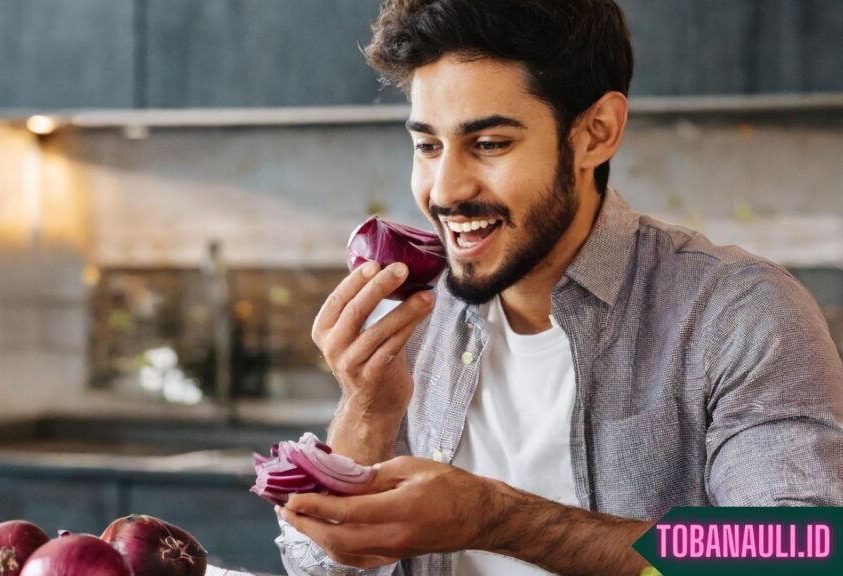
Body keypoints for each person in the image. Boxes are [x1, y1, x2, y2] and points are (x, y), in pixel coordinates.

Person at [274, 1, 843, 575]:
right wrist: (366, 409)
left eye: (490, 143)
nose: (443, 191)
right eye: (427, 145)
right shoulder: (414, 319)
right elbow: (320, 571)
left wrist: (497, 518)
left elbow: (795, 552)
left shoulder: (737, 314)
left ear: (597, 133)